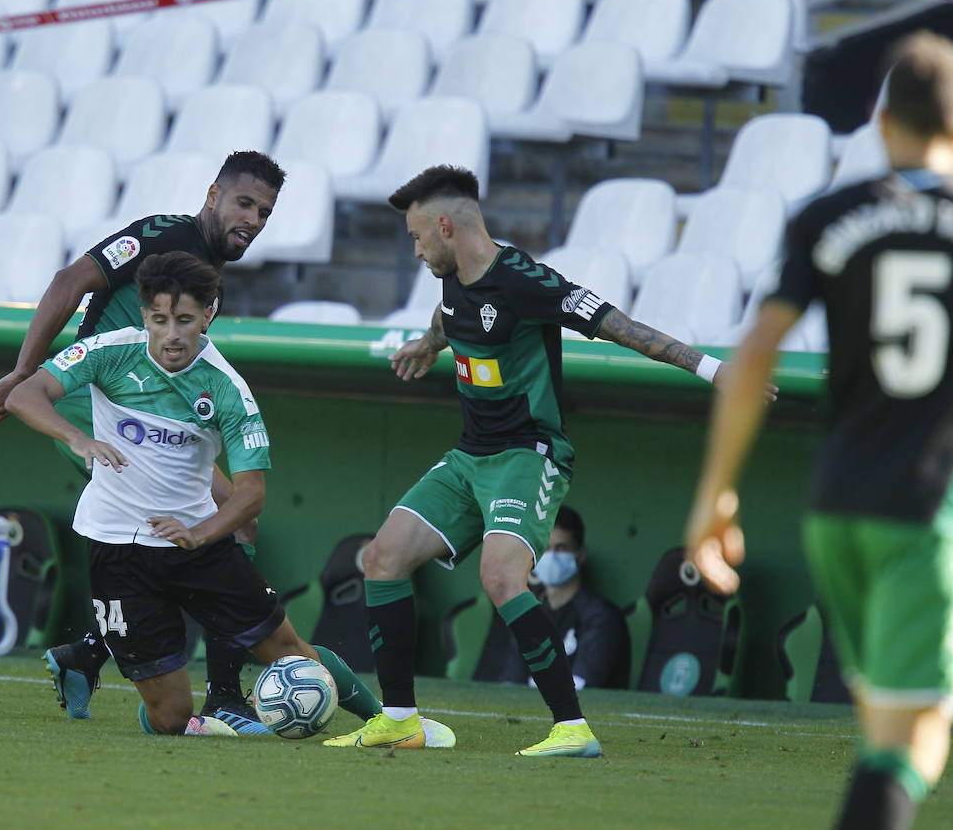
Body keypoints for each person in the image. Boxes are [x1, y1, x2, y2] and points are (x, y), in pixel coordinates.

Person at [325, 165, 768, 754]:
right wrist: (427, 344)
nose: (415, 249)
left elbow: (623, 327)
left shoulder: (527, 282)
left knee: (501, 576)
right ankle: (401, 719)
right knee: (381, 558)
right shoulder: (452, 275)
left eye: (415, 236)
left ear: (444, 226)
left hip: (528, 455)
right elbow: (448, 318)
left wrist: (713, 370)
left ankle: (572, 728)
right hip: (469, 457)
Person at [685, 32, 953, 830]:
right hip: (924, 513)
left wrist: (715, 495)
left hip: (835, 506)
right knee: (914, 746)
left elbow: (754, 354)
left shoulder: (827, 215)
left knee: (883, 732)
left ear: (879, 119)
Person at [3, 252, 437, 740]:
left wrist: (198, 533)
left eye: (185, 320)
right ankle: (140, 686)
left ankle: (390, 721)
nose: (171, 334)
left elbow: (251, 495)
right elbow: (23, 395)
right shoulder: (107, 351)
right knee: (170, 719)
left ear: (207, 316)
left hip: (198, 547)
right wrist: (77, 438)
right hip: (116, 547)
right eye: (160, 320)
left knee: (293, 653)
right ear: (145, 314)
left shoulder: (227, 388)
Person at [0, 151, 285, 726]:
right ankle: (225, 698)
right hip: (102, 405)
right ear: (212, 194)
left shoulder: (208, 267)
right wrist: (23, 374)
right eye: (245, 203)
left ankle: (88, 654)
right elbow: (71, 281)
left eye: (265, 212)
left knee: (224, 518)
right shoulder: (164, 235)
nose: (254, 219)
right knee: (213, 517)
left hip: (142, 413)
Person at [488, 506, 627, 690]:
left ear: (581, 554)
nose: (551, 556)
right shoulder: (527, 616)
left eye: (561, 548)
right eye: (544, 548)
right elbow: (509, 684)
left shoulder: (601, 617)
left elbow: (579, 689)